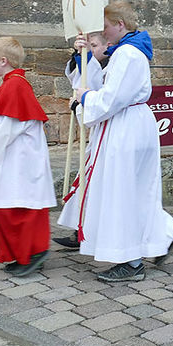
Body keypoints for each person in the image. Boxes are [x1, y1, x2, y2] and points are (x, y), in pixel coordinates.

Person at [60, 1, 173, 282]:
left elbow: (110, 98)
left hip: (126, 127)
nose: (102, 33)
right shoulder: (124, 52)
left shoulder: (128, 54)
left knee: (122, 193)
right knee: (134, 193)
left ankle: (130, 261)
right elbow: (104, 86)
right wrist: (83, 57)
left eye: (105, 27)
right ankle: (162, 236)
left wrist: (85, 99)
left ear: (120, 25)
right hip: (126, 124)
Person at [0, 37, 55, 277]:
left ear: (3, 61)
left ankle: (33, 253)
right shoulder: (11, 84)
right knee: (8, 205)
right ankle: (26, 254)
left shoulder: (15, 86)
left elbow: (5, 130)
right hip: (16, 157)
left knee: (16, 206)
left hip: (20, 160)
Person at [54, 31, 109, 251]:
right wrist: (80, 54)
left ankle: (168, 235)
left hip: (108, 137)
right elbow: (82, 81)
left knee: (98, 188)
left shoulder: (115, 67)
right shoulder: (97, 65)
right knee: (85, 185)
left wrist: (81, 105)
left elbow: (98, 95)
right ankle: (81, 230)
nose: (91, 48)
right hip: (97, 138)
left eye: (94, 45)